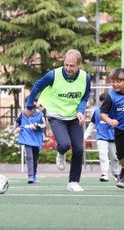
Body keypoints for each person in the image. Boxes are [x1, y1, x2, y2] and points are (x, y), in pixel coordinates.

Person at [25, 49, 91, 192]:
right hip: (56, 115)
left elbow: (85, 97)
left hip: (74, 116)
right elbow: (37, 86)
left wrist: (80, 111)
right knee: (65, 144)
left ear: (79, 65)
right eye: (66, 64)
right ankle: (60, 152)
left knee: (79, 149)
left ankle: (73, 182)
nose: (68, 68)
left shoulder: (85, 78)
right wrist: (30, 104)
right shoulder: (53, 75)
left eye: (72, 66)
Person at [84, 92, 120, 182]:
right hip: (101, 137)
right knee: (103, 155)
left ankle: (116, 174)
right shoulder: (97, 112)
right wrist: (84, 137)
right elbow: (91, 125)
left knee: (114, 157)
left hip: (113, 138)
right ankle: (104, 174)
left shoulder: (115, 110)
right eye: (103, 101)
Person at [15, 99, 46, 184]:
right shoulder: (22, 113)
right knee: (29, 156)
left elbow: (44, 124)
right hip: (26, 137)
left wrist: (36, 126)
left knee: (35, 157)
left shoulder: (40, 113)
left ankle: (34, 175)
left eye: (32, 101)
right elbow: (17, 121)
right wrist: (17, 127)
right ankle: (30, 176)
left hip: (36, 138)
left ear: (36, 103)